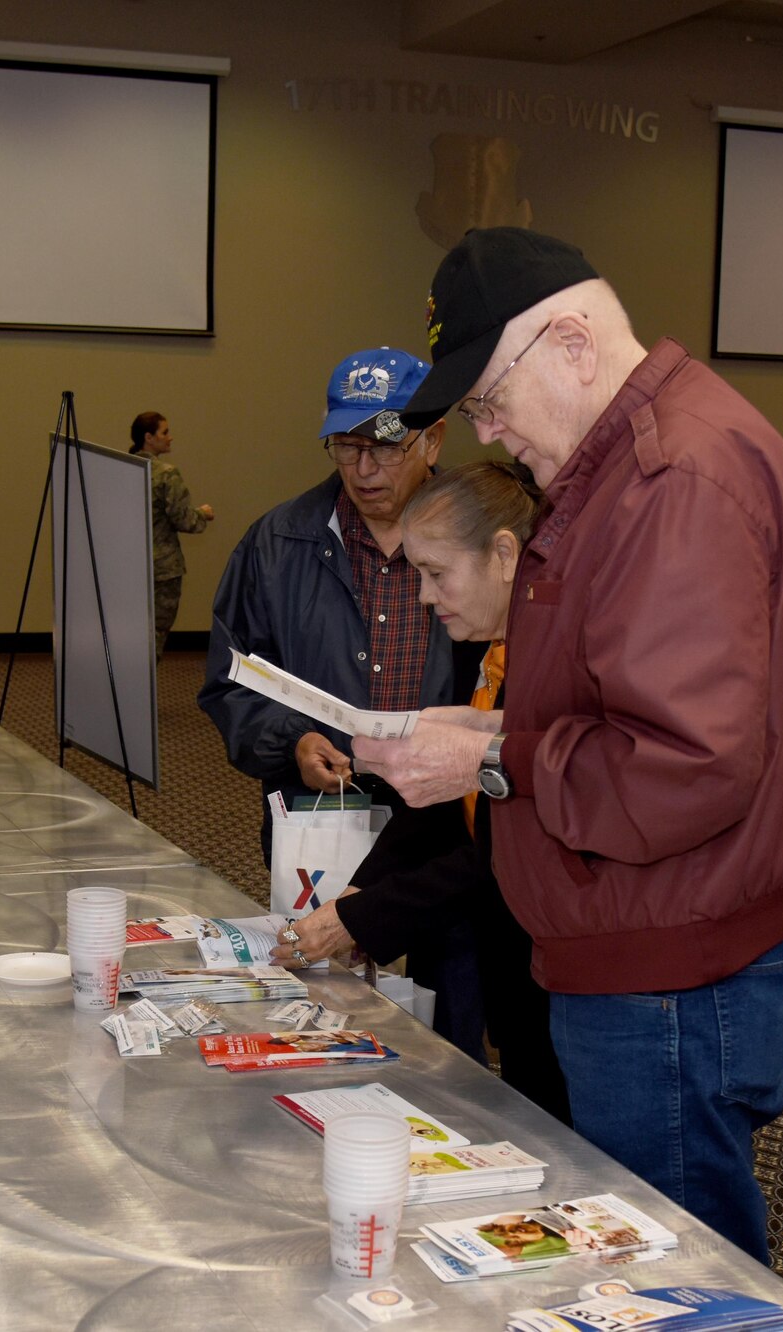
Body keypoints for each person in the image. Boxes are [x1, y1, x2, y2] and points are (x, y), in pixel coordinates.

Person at [355, 226, 783, 1262]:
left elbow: (683, 767)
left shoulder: (669, 479)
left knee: (668, 1270)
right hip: (651, 947)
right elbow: (629, 707)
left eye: (488, 398)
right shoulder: (629, 468)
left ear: (570, 343)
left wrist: (492, 760)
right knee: (654, 1259)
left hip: (667, 972)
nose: (490, 429)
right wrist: (493, 727)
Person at [198, 347, 484, 1053]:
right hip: (320, 822)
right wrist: (289, 742)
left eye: (384, 447)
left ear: (433, 439)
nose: (363, 471)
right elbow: (228, 683)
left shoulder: (481, 544)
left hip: (452, 834)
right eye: (346, 447)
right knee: (319, 1012)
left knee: (453, 1028)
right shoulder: (277, 543)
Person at [272, 462, 569, 1123]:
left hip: (561, 974)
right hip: (514, 969)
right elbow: (450, 807)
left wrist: (365, 916)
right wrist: (361, 889)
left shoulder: (555, 668)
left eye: (437, 575)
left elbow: (506, 848)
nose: (426, 599)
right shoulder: (483, 652)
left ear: (503, 554)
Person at [129, 412, 214, 656]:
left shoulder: (124, 467)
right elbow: (183, 520)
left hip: (128, 565)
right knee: (154, 634)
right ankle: (143, 690)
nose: (170, 437)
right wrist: (203, 514)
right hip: (162, 570)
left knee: (129, 630)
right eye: (164, 432)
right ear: (148, 437)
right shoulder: (166, 474)